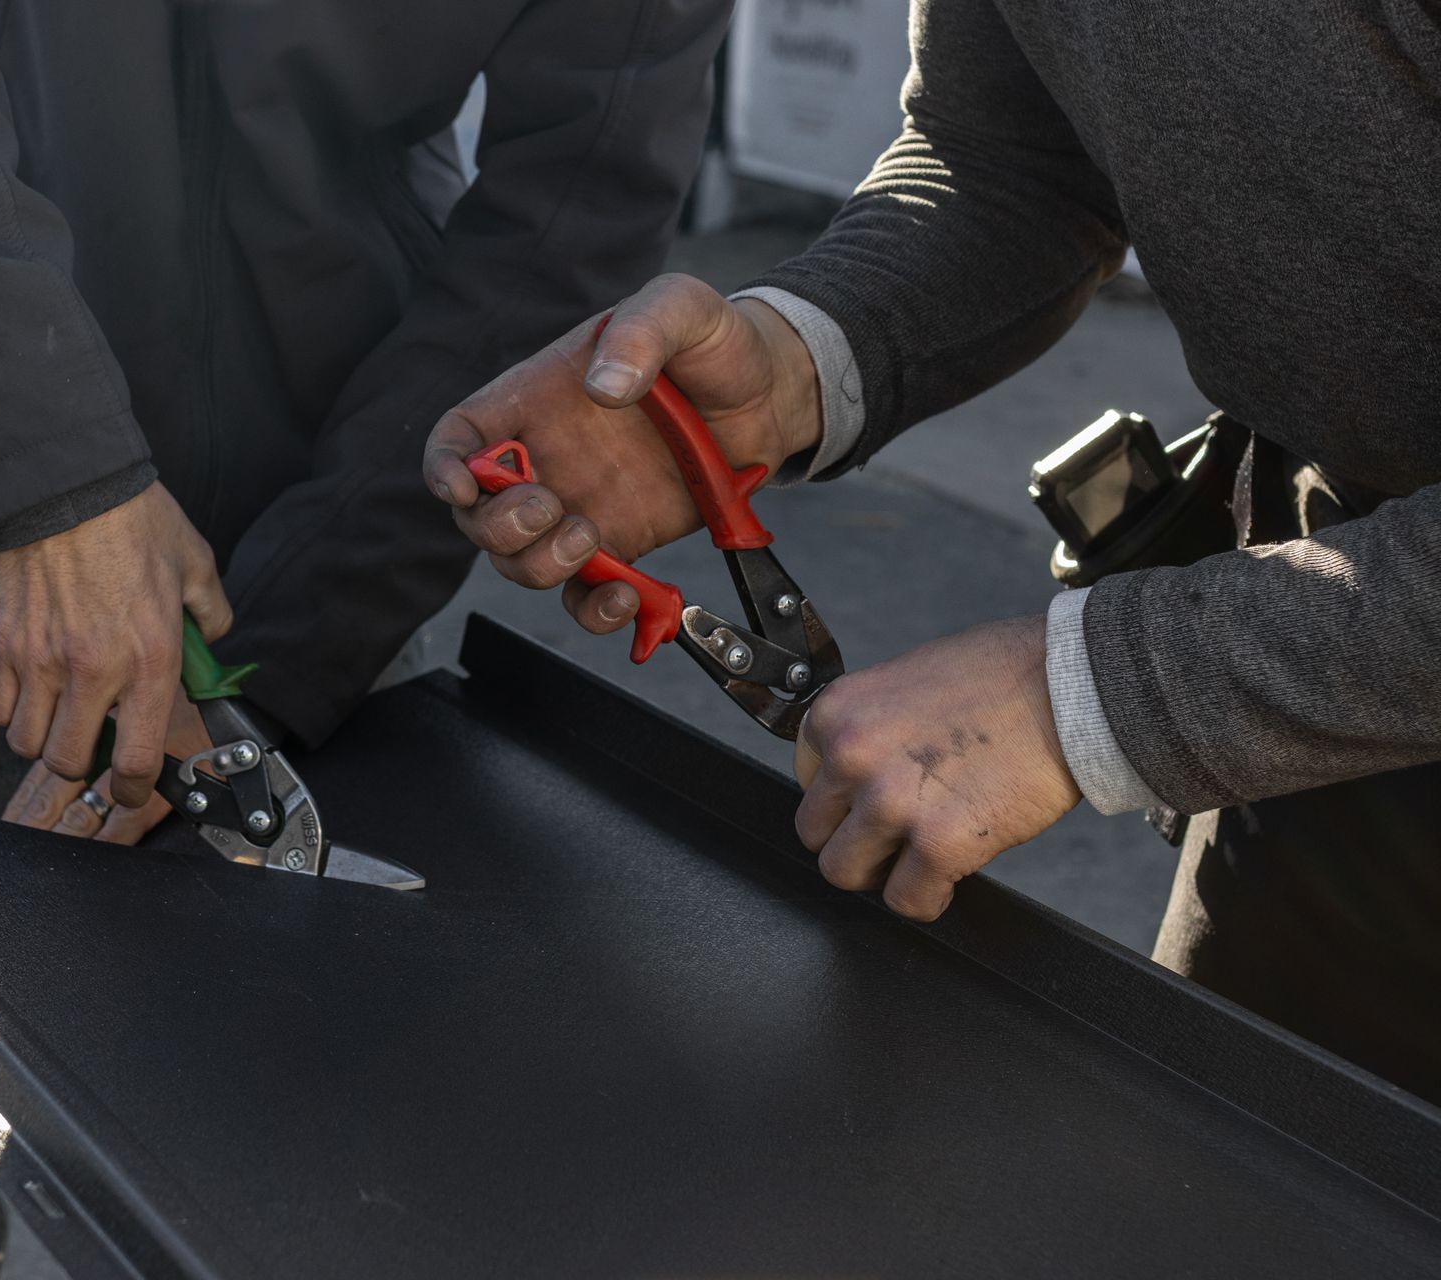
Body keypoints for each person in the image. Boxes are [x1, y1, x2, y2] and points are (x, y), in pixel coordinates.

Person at [0, 0, 729, 1273]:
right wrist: (49, 477)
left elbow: (574, 200)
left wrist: (298, 642)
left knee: (320, 1131)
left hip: (343, 448)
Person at [425, 0, 1441, 1103]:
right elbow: (1008, 157)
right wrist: (799, 355)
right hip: (1314, 658)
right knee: (1246, 1169)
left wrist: (1091, 690)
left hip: (1327, 633)